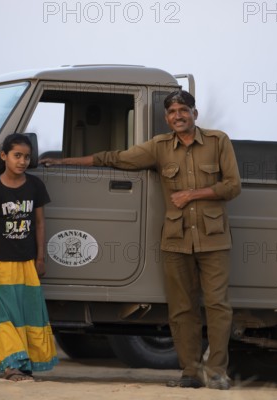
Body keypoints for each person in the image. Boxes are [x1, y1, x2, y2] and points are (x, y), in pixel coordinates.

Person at [41, 90, 241, 390]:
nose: (178, 115)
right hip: (175, 240)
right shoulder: (159, 148)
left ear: (194, 114)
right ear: (166, 118)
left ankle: (216, 373)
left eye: (183, 110)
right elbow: (116, 159)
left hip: (213, 239)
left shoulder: (218, 141)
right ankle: (189, 372)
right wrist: (63, 161)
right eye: (172, 111)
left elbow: (232, 186)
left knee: (218, 307)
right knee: (181, 309)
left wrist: (192, 194)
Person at [0, 133, 59, 382]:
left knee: (29, 316)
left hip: (27, 265)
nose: (23, 161)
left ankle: (25, 366)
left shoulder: (35, 186)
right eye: (17, 156)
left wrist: (40, 258)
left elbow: (40, 224)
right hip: (2, 265)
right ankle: (11, 367)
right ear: (4, 156)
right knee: (7, 318)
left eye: (26, 156)